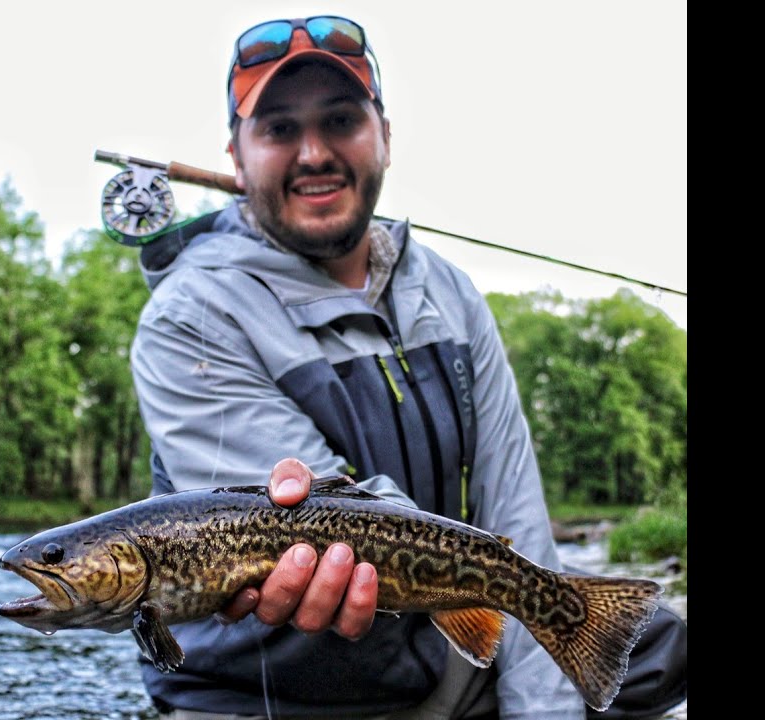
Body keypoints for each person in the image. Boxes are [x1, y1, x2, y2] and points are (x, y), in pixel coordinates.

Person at [131, 15, 586, 719]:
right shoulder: (189, 315)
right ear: (237, 155)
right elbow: (333, 524)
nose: (313, 152)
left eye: (341, 119)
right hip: (269, 701)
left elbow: (516, 517)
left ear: (385, 137)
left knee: (658, 643)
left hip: (447, 674)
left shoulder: (449, 292)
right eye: (279, 129)